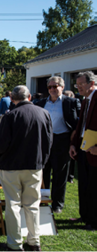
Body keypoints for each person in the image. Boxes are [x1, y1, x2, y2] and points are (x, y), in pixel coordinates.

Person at [0, 85, 53, 252]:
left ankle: (15, 244)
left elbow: (0, 145)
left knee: (13, 205)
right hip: (34, 165)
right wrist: (42, 161)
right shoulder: (44, 113)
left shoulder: (10, 116)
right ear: (30, 97)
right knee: (33, 204)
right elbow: (49, 142)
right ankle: (34, 242)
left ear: (12, 98)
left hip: (12, 167)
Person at [35, 76, 80, 214]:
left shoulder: (71, 102)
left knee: (60, 174)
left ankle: (57, 204)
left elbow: (78, 123)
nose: (53, 89)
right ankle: (43, 200)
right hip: (44, 141)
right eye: (50, 87)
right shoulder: (41, 103)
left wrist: (74, 139)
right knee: (43, 173)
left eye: (55, 86)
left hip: (62, 140)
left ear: (62, 86)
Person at [69, 71, 97, 231]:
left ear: (91, 84)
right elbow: (81, 126)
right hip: (83, 149)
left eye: (81, 84)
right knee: (84, 185)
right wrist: (73, 144)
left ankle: (94, 221)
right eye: (77, 85)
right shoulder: (86, 100)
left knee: (94, 188)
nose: (78, 87)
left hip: (94, 151)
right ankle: (85, 216)